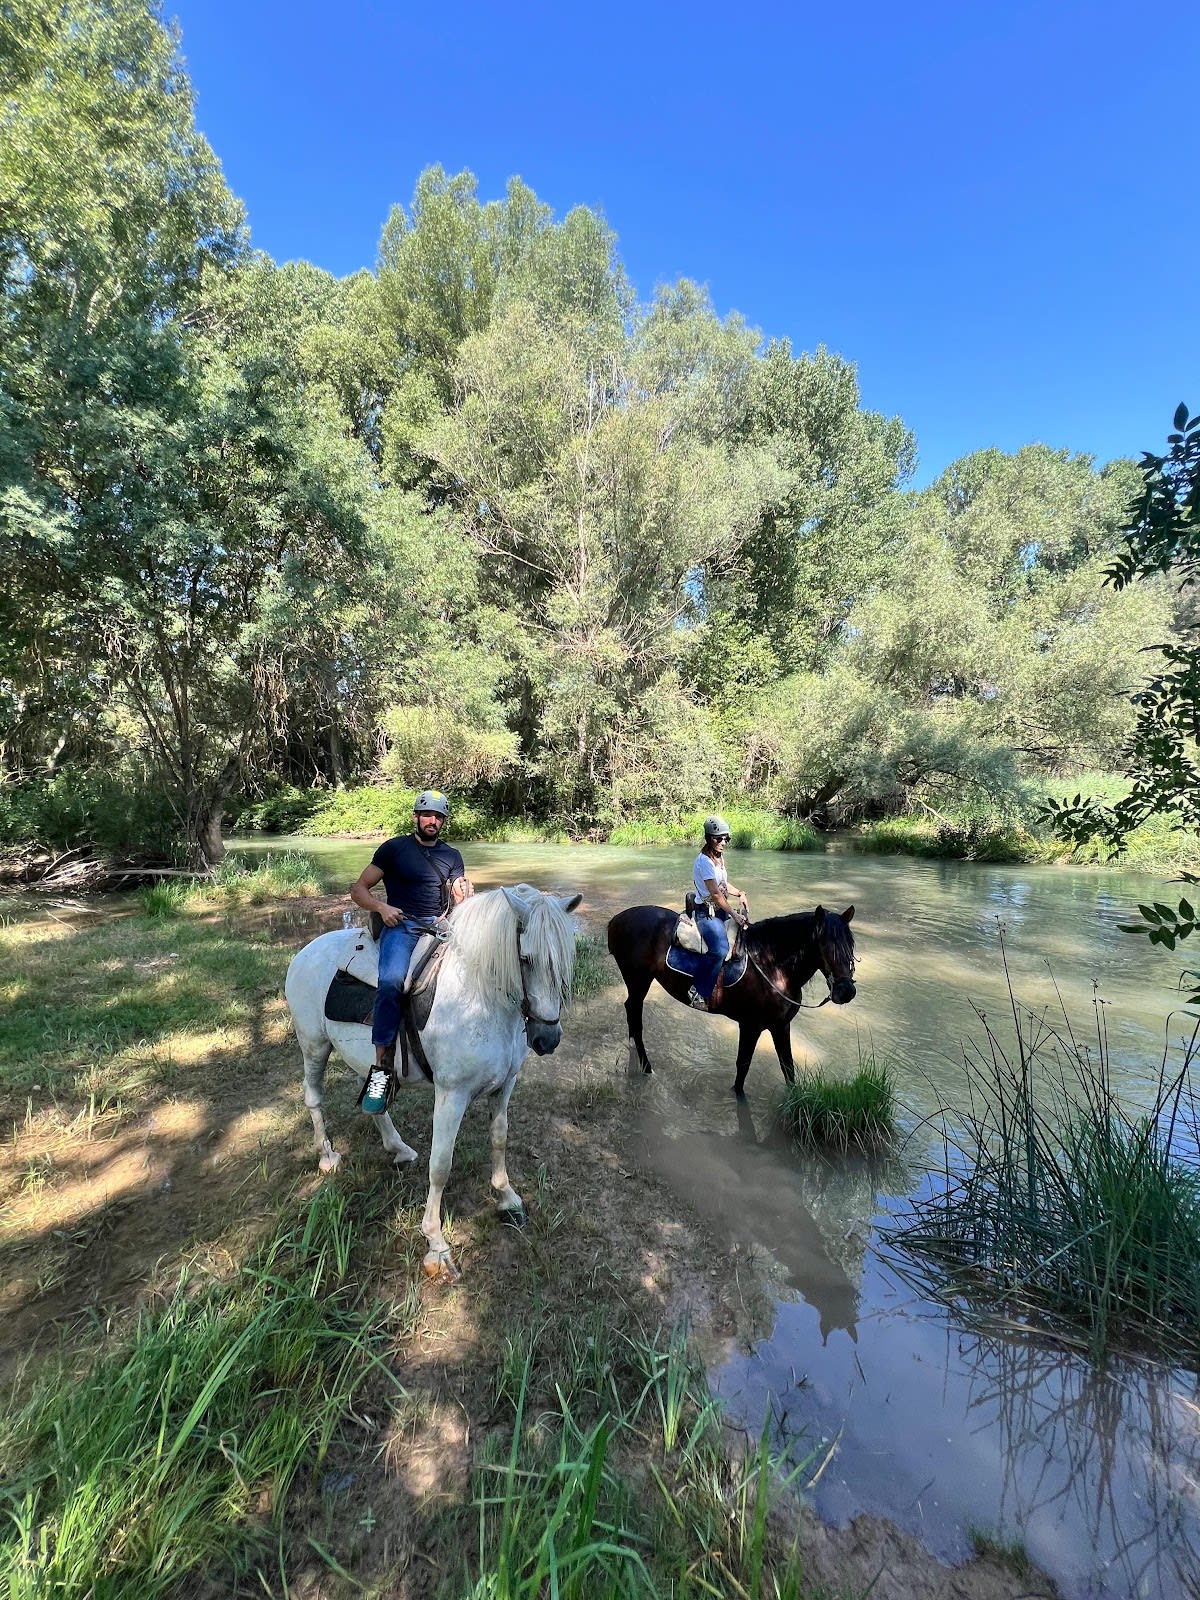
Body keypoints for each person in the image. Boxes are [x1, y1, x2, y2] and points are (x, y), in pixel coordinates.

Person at [350, 789, 474, 1112]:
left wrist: (464, 897)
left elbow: (458, 896)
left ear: (443, 821)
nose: (432, 821)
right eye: (427, 815)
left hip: (439, 926)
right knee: (391, 982)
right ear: (415, 817)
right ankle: (381, 1067)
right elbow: (358, 889)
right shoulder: (394, 849)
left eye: (438, 817)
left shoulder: (452, 856)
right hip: (401, 925)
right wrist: (381, 907)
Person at [686, 815, 749, 1010]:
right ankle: (698, 991)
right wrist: (734, 914)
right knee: (721, 949)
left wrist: (739, 892)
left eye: (726, 839)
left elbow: (722, 885)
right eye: (718, 839)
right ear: (708, 838)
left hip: (719, 909)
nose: (723, 843)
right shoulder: (704, 862)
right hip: (707, 913)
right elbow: (715, 893)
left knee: (746, 933)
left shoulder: (719, 858)